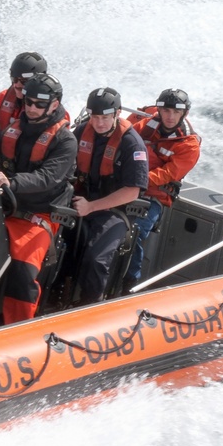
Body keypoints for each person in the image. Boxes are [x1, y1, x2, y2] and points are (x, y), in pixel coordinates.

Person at [0, 73, 77, 324]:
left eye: (39, 104)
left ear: (54, 104)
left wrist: (11, 183)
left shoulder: (65, 141)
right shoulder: (12, 129)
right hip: (3, 206)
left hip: (39, 216)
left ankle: (17, 328)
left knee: (22, 268)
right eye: (28, 102)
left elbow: (48, 177)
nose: (32, 108)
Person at [70, 87, 149, 305]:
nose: (99, 123)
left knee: (96, 259)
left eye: (105, 117)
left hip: (115, 210)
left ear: (117, 114)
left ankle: (91, 306)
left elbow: (132, 190)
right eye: (95, 117)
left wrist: (92, 206)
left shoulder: (132, 144)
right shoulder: (81, 131)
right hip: (81, 202)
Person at [123, 88, 201, 290]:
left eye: (175, 112)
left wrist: (132, 179)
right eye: (166, 111)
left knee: (135, 232)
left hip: (152, 196)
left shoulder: (189, 145)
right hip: (125, 185)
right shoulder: (147, 124)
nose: (170, 116)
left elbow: (165, 175)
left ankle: (129, 283)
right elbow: (125, 140)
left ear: (184, 114)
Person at [0, 52, 48, 139]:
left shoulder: (52, 109)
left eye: (24, 81)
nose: (17, 85)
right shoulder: (0, 99)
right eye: (14, 79)